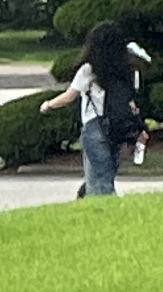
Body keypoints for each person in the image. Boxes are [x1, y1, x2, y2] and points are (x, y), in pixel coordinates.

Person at [58, 23, 145, 196]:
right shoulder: (131, 71)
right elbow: (132, 102)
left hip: (94, 125)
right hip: (118, 127)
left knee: (99, 177)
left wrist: (48, 104)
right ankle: (91, 201)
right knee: (106, 172)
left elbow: (69, 96)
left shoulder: (89, 70)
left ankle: (100, 205)